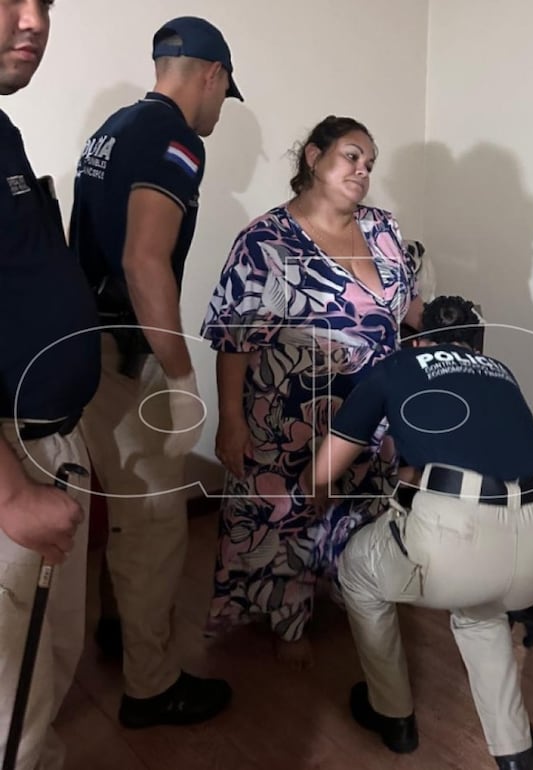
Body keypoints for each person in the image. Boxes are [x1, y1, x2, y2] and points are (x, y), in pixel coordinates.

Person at [302, 296, 533, 770]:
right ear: (475, 345)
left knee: (358, 571)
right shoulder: (501, 373)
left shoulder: (397, 366)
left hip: (461, 544)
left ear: (419, 340)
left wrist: (316, 490)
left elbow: (323, 471)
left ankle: (392, 715)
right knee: (479, 610)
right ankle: (516, 752)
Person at [68, 16, 242, 728]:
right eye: (223, 93)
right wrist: (180, 375)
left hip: (84, 343)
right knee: (154, 521)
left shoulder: (111, 129)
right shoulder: (176, 140)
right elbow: (144, 262)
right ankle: (152, 686)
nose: (219, 109)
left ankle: (117, 629)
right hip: (125, 353)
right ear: (212, 75)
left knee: (122, 505)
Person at [201, 115, 424, 669]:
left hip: (370, 416)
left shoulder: (383, 229)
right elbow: (234, 339)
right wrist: (231, 420)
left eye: (369, 162)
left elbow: (409, 309)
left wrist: (447, 331)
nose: (363, 169)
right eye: (351, 155)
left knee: (360, 515)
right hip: (287, 419)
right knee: (285, 520)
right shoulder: (266, 240)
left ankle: (354, 595)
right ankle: (287, 620)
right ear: (314, 157)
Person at [0, 1, 100, 767]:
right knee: (10, 702)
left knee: (41, 681)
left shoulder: (3, 131)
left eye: (46, 2)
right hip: (14, 463)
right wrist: (10, 495)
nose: (33, 21)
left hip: (49, 442)